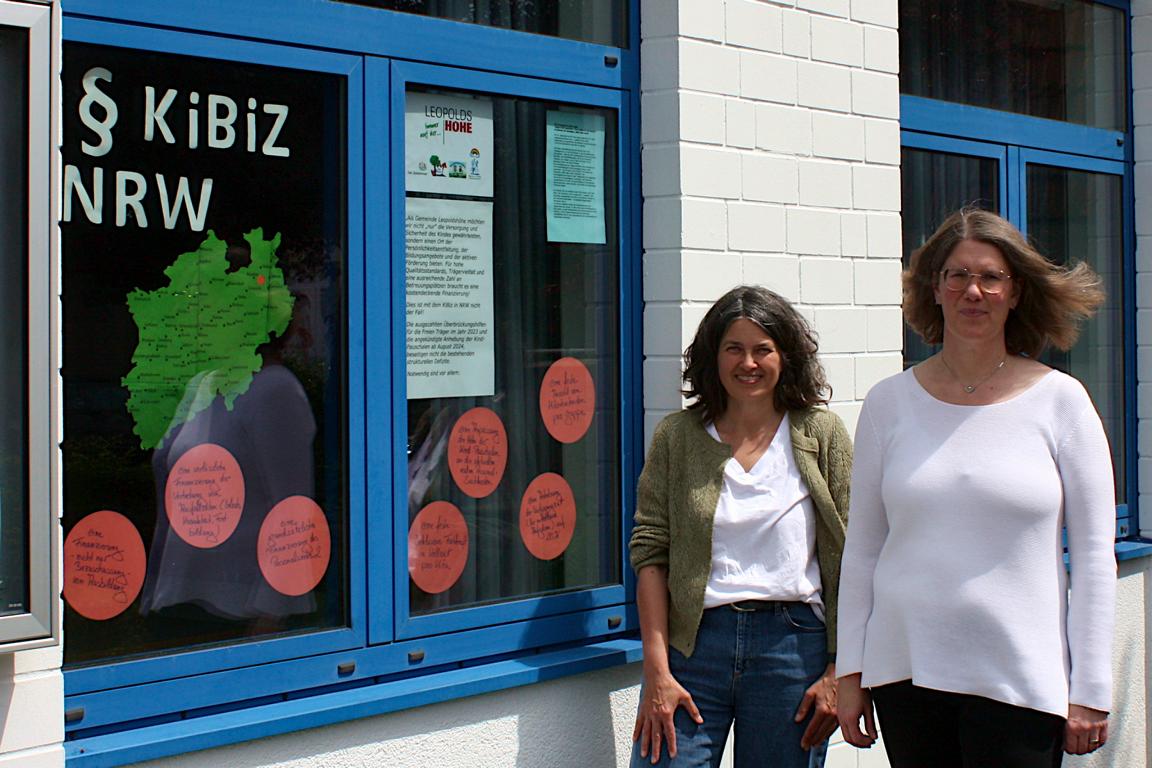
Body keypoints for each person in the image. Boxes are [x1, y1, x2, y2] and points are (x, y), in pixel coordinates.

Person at [836, 208, 1115, 767]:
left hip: (1021, 677)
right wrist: (851, 670)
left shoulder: (1062, 402)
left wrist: (1092, 688)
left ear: (1015, 294)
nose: (974, 291)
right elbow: (863, 548)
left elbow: (1092, 557)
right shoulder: (889, 403)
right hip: (907, 672)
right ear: (934, 289)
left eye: (991, 277)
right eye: (958, 276)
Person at [629, 285, 852, 767]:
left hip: (792, 649)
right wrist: (656, 669)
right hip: (693, 647)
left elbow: (855, 556)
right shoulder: (678, 436)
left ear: (785, 355)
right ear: (713, 356)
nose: (747, 363)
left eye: (762, 349)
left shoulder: (821, 433)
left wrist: (840, 669)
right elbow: (650, 551)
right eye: (734, 348)